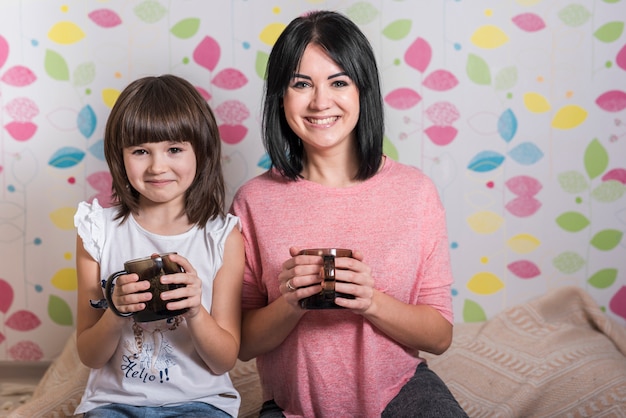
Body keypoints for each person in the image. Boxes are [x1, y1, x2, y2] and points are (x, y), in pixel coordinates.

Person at [230, 10, 468, 418]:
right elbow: (243, 344)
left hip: (403, 391)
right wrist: (290, 302)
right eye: (301, 84)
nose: (321, 102)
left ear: (363, 91)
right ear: (280, 96)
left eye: (338, 82)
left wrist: (370, 301)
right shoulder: (253, 201)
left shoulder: (416, 193)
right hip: (292, 403)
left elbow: (440, 335)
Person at [73, 74, 244, 417]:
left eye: (175, 149)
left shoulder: (222, 237)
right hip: (114, 404)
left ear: (202, 150)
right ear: (119, 156)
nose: (157, 166)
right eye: (140, 151)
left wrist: (196, 311)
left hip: (200, 404)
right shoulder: (97, 231)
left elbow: (224, 359)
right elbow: (89, 355)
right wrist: (116, 311)